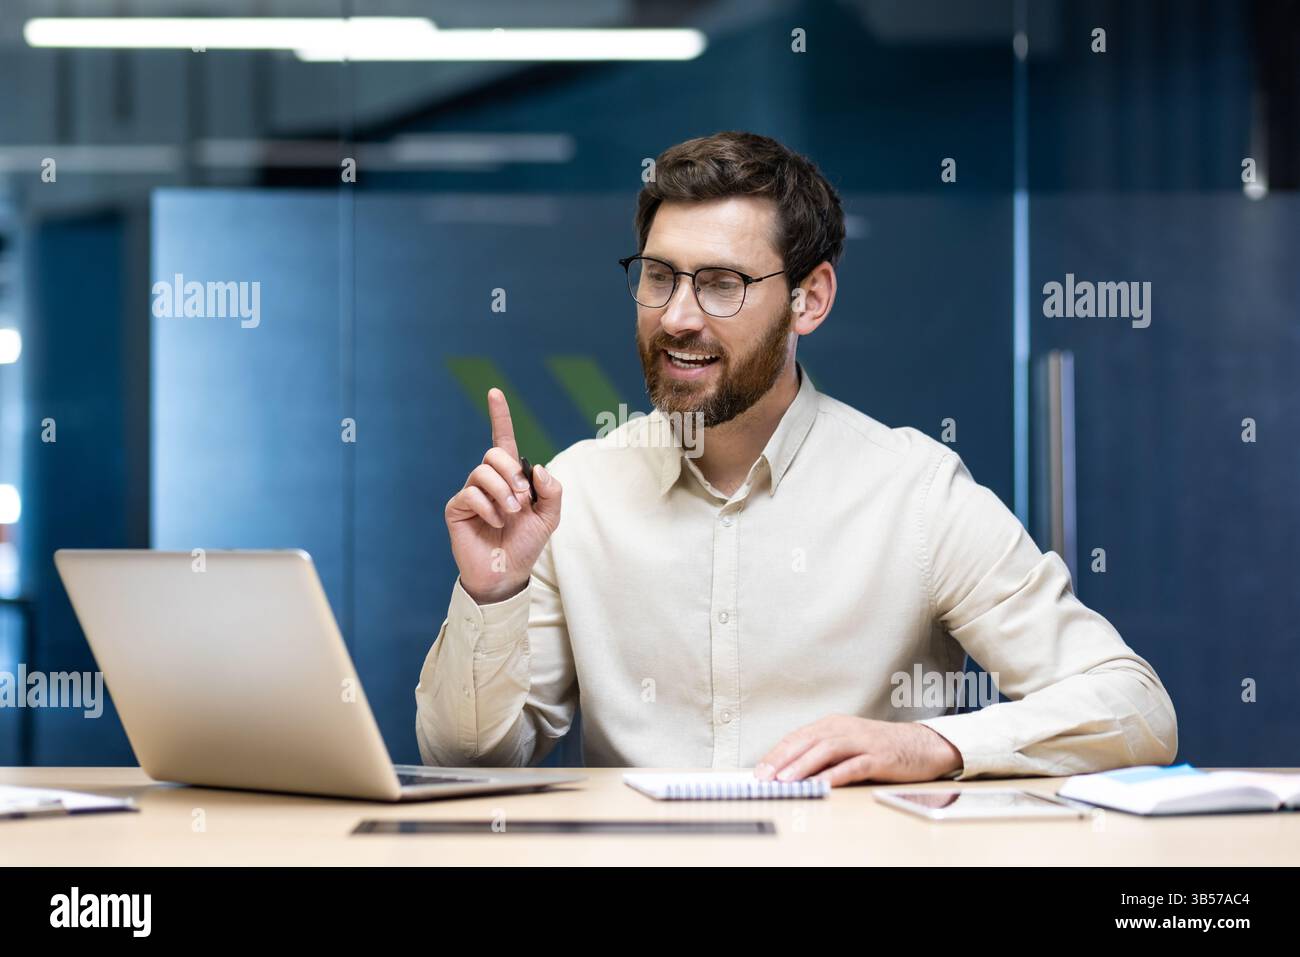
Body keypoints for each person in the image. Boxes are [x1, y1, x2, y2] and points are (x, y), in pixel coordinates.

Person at [415, 130, 1177, 785]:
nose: (677, 316)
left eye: (721, 284)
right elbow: (468, 760)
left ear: (809, 300)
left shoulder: (914, 493)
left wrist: (933, 744)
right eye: (658, 276)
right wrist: (491, 596)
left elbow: (1134, 706)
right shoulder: (572, 494)